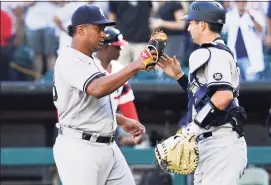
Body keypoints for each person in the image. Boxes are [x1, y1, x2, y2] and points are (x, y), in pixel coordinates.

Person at [52, 5, 157, 185]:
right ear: (81, 30)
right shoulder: (69, 58)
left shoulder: (93, 61)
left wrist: (121, 120)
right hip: (80, 148)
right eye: (98, 28)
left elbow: (86, 107)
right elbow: (97, 89)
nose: (103, 33)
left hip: (108, 146)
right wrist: (136, 64)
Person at [157, 1, 247, 185]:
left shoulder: (215, 53)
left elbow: (223, 97)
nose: (188, 27)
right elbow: (204, 98)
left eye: (191, 22)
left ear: (203, 24)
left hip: (220, 142)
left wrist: (192, 128)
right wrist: (180, 77)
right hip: (210, 143)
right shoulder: (212, 52)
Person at [94, 27, 145, 146]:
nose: (121, 48)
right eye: (117, 46)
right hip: (84, 133)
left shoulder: (118, 68)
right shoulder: (89, 67)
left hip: (108, 132)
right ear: (105, 47)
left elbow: (126, 102)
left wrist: (136, 130)